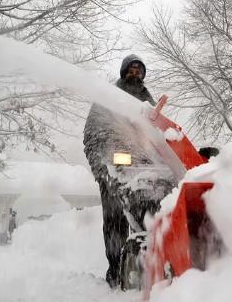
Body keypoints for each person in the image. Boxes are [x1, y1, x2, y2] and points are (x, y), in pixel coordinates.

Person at [83, 54, 156, 288]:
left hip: (144, 172)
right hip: (113, 171)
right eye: (131, 70)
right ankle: (115, 269)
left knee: (151, 217)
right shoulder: (108, 98)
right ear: (123, 72)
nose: (135, 74)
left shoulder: (147, 102)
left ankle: (150, 263)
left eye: (139, 71)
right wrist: (101, 171)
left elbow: (158, 137)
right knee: (115, 221)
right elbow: (91, 138)